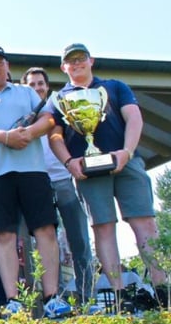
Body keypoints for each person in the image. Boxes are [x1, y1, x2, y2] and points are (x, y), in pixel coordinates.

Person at [48, 43, 167, 308]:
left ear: (91, 60)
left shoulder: (114, 87)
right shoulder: (57, 99)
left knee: (145, 225)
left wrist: (127, 151)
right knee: (102, 227)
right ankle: (119, 295)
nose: (76, 63)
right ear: (63, 67)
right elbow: (54, 135)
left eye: (80, 58)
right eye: (70, 60)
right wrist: (68, 161)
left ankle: (162, 290)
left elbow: (134, 118)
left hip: (127, 164)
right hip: (87, 172)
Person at [0, 45, 71, 319]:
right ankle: (12, 301)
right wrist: (6, 137)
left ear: (7, 66)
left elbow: (48, 119)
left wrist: (29, 133)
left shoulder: (26, 92)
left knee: (45, 230)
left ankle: (51, 297)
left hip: (33, 171)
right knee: (4, 236)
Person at [21, 67, 95, 304]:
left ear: (47, 86)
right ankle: (56, 298)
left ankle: (87, 298)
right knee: (43, 242)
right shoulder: (22, 114)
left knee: (79, 240)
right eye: (31, 84)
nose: (37, 88)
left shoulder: (59, 107)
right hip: (36, 181)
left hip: (64, 179)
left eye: (40, 83)